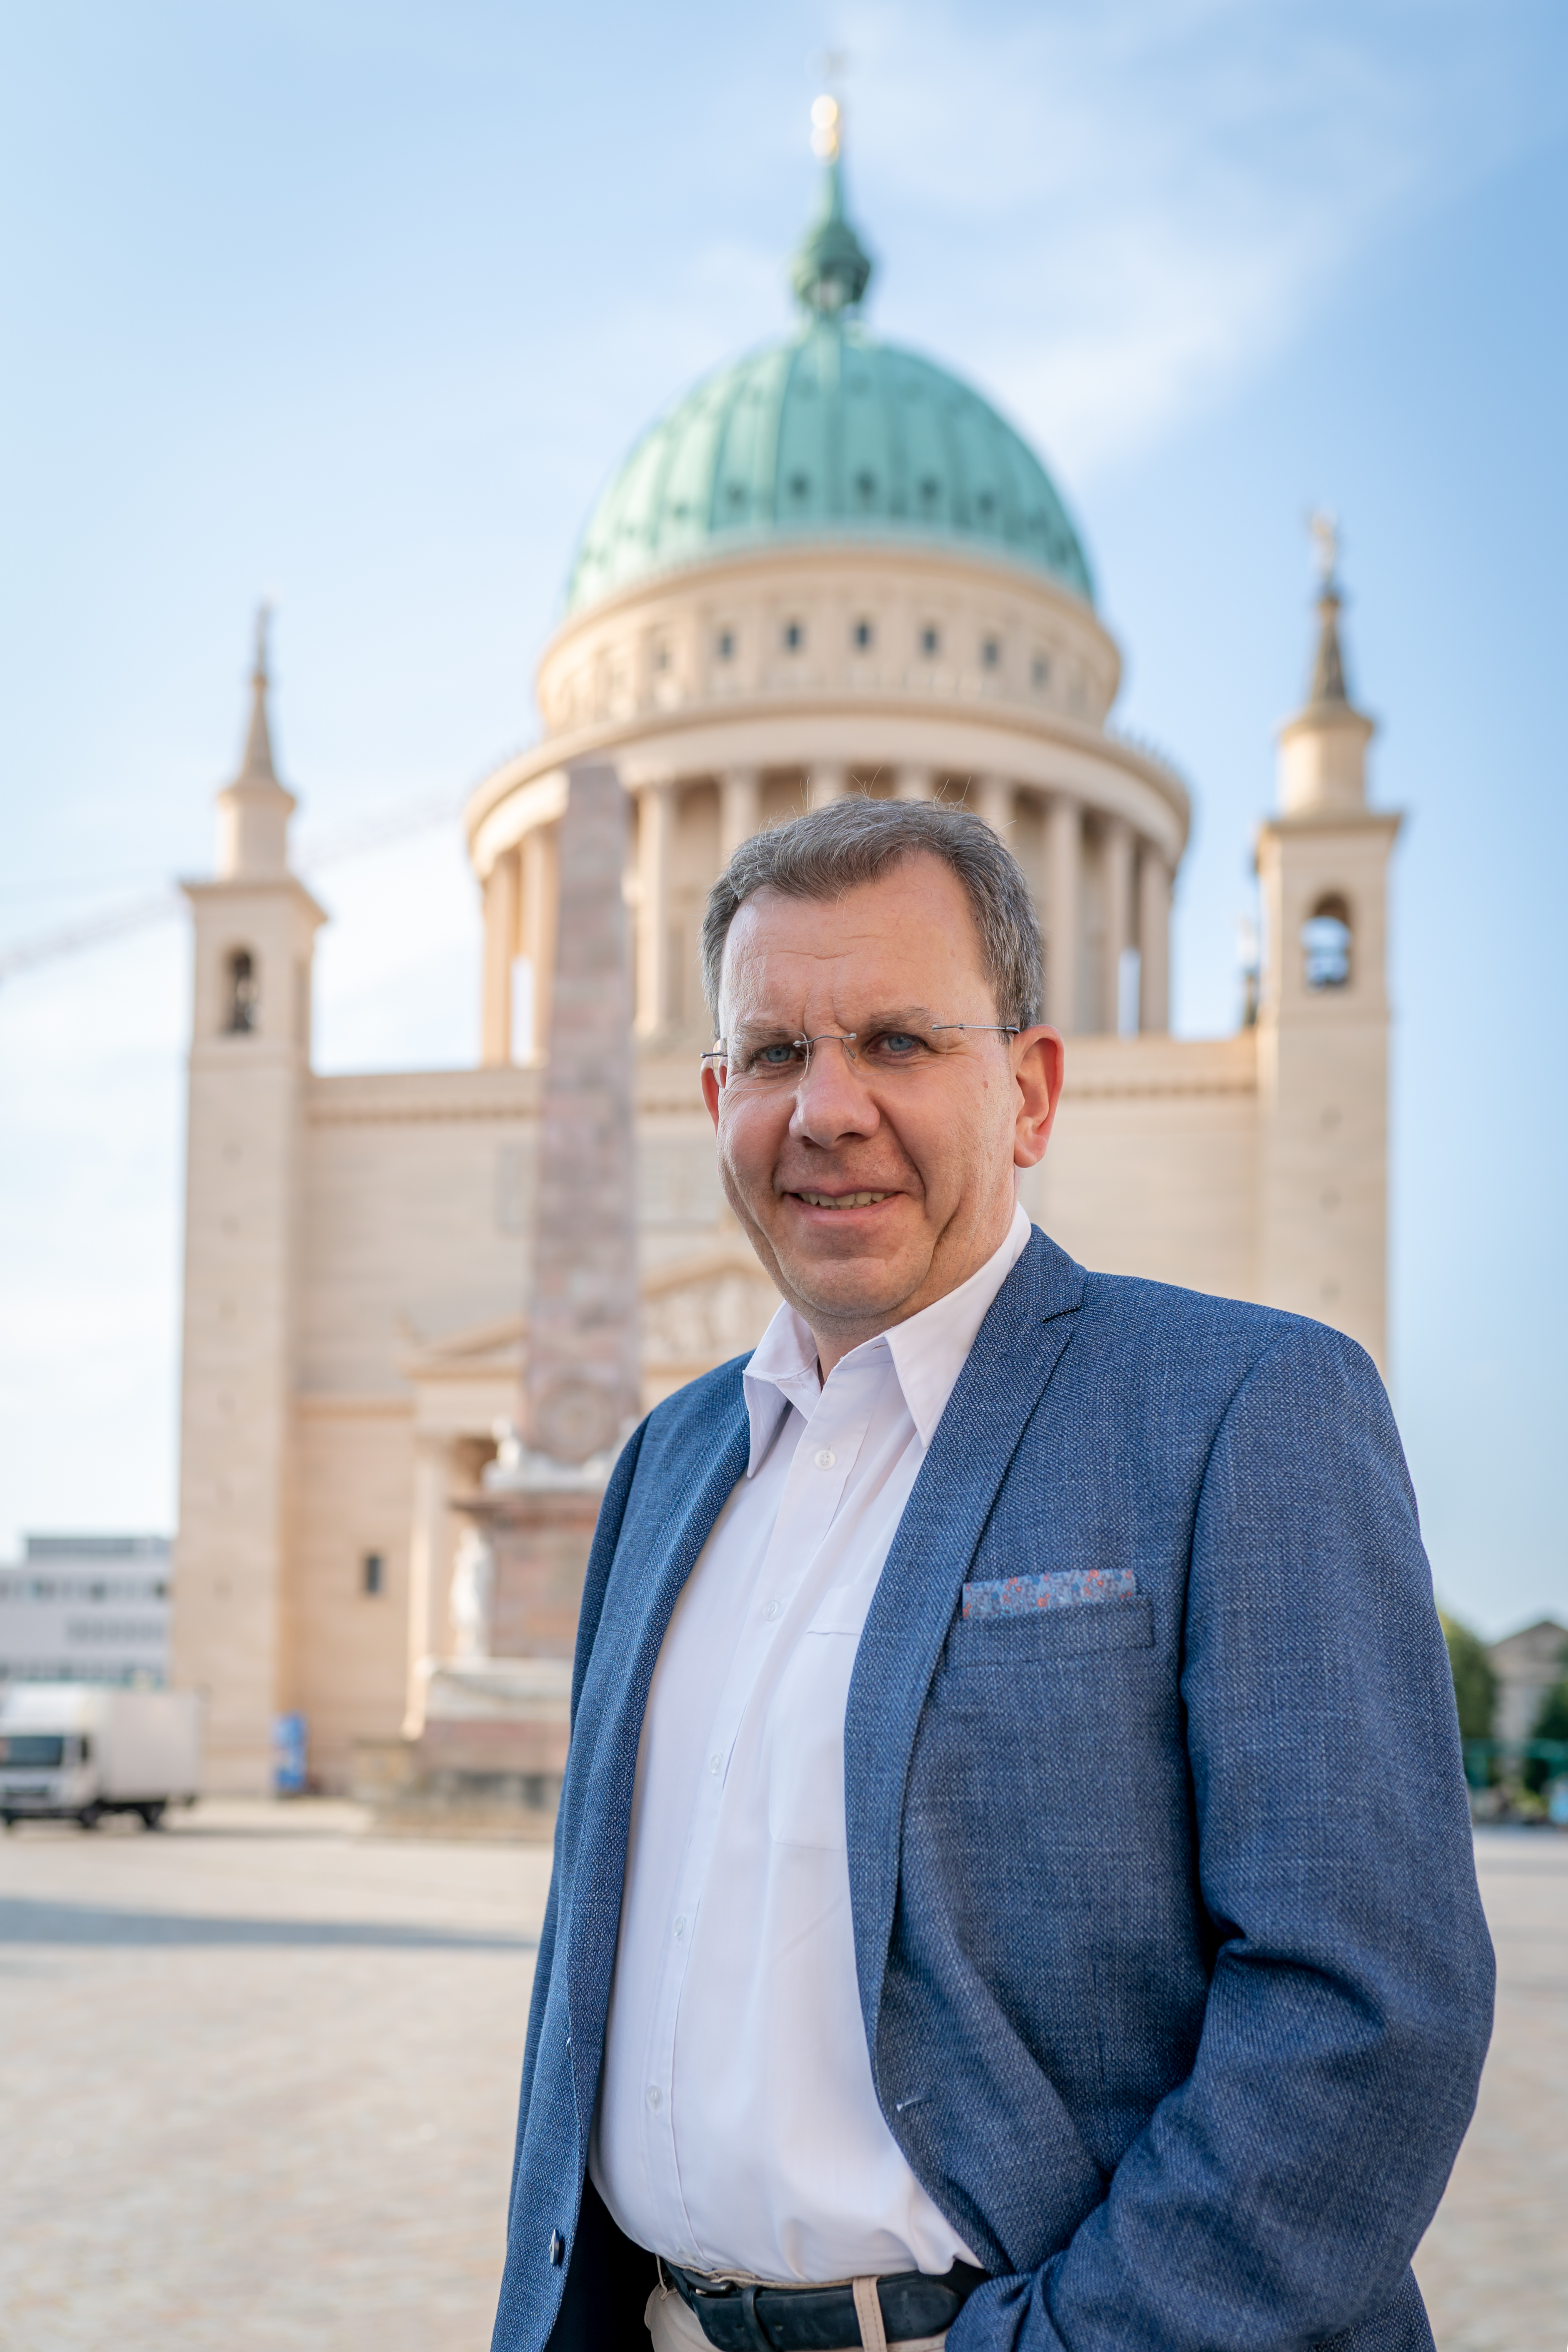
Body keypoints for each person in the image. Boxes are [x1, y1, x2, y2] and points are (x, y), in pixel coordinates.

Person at [492, 798, 1493, 2352]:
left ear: (1027, 1090)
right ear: (712, 1099)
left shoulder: (1242, 1409)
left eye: (896, 1040)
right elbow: (590, 1975)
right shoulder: (661, 1468)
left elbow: (1363, 2012)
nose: (826, 1110)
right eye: (773, 1054)